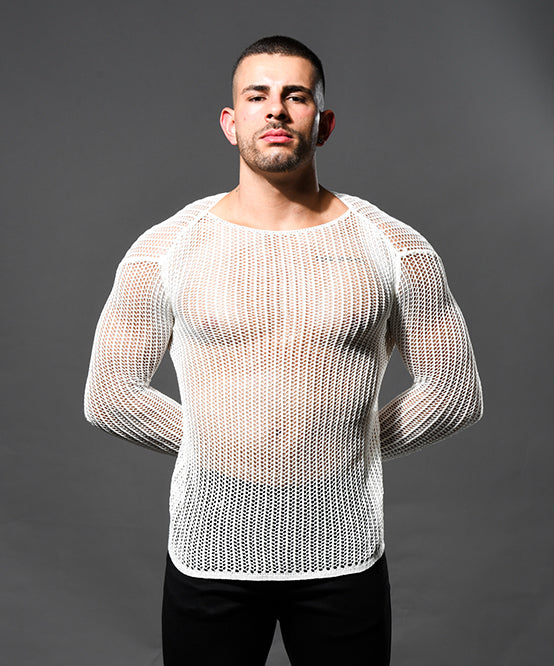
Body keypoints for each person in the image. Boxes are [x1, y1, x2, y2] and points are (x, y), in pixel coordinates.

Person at [84, 35, 483, 666]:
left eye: (296, 96)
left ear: (323, 123)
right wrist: (226, 452)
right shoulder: (166, 248)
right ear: (230, 122)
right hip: (208, 552)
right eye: (257, 96)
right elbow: (110, 395)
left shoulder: (395, 247)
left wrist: (340, 451)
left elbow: (455, 393)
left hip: (344, 554)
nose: (275, 109)